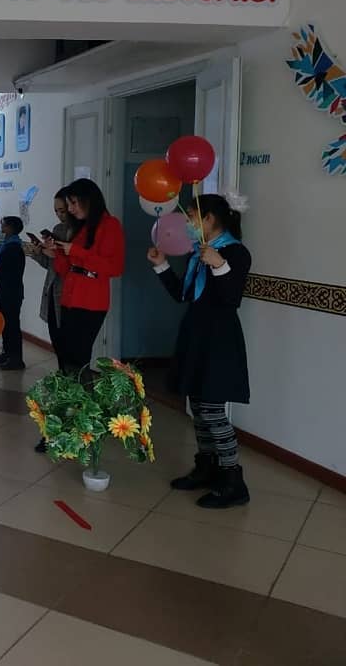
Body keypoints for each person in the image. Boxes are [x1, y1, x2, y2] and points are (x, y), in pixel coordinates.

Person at [148, 193, 251, 509]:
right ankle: (207, 466)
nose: (187, 224)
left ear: (209, 219)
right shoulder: (198, 253)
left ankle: (233, 479)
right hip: (195, 334)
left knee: (212, 408)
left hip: (219, 338)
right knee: (197, 404)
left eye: (191, 217)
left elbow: (231, 298)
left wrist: (219, 265)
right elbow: (183, 294)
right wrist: (162, 265)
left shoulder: (235, 252)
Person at [40, 178, 124, 453]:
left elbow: (114, 267)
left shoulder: (109, 225)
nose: (71, 209)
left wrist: (75, 251)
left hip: (91, 302)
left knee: (76, 361)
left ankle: (80, 423)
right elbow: (67, 268)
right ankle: (68, 421)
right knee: (66, 361)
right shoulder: (81, 228)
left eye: (74, 203)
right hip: (70, 298)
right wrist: (56, 253)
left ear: (90, 200)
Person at [28, 188, 74, 370]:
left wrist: (58, 255)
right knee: (57, 339)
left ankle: (70, 378)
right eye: (56, 211)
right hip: (52, 290)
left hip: (70, 293)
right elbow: (50, 264)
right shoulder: (57, 229)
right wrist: (39, 252)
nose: (60, 215)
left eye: (63, 210)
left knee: (70, 343)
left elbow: (76, 264)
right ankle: (63, 376)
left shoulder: (80, 232)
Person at [0, 216, 26, 371]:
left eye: (4, 226)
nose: (2, 229)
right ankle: (6, 353)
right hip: (5, 290)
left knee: (12, 325)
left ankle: (16, 359)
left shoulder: (13, 247)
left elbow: (10, 272)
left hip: (11, 292)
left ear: (11, 228)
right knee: (5, 324)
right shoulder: (7, 245)